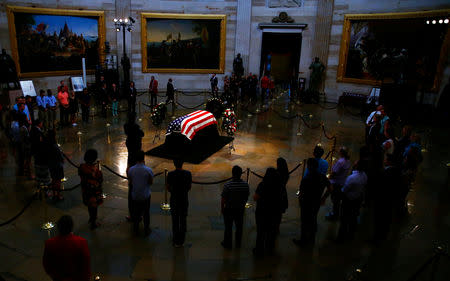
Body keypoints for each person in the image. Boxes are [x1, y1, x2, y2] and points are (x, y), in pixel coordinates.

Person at [293, 158, 330, 246]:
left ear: (309, 166)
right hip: (316, 202)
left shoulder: (306, 179)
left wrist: (300, 203)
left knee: (305, 222)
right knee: (313, 219)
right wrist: (324, 198)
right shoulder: (322, 176)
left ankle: (303, 240)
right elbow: (330, 188)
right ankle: (312, 239)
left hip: (306, 204)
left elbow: (301, 194)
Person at [43, 215, 91, 281]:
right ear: (71, 227)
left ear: (58, 228)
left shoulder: (50, 243)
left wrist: (54, 276)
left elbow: (47, 264)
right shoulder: (81, 242)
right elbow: (86, 265)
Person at [253, 167, 283, 255]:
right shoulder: (280, 186)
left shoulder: (262, 184)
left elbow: (255, 197)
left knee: (261, 232)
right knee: (271, 232)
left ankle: (259, 250)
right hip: (274, 212)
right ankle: (270, 249)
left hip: (262, 212)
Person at [337, 161, 368, 241]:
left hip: (349, 200)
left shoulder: (352, 178)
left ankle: (341, 237)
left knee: (344, 219)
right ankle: (351, 235)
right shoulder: (364, 175)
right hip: (357, 199)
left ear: (356, 166)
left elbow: (344, 190)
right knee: (353, 218)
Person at [221, 165, 249, 249]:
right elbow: (246, 197)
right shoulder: (245, 185)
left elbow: (223, 199)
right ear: (241, 174)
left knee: (228, 227)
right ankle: (238, 244)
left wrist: (222, 209)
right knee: (239, 227)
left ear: (232, 174)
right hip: (240, 209)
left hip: (229, 209)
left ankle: (227, 243)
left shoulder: (227, 185)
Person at [127, 150, 154, 236]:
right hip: (145, 195)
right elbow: (150, 182)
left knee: (136, 213)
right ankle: (146, 229)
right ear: (143, 158)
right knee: (146, 213)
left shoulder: (131, 169)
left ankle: (135, 229)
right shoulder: (148, 170)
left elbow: (130, 182)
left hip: (135, 196)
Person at [167, 159, 192, 247]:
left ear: (174, 164)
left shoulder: (170, 174)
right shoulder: (188, 174)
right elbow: (189, 187)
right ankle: (181, 240)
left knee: (175, 220)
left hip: (174, 199)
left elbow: (168, 188)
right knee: (183, 219)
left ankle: (175, 239)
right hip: (184, 199)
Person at [79, 149, 103, 230]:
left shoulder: (82, 167)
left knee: (89, 205)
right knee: (94, 207)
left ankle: (91, 218)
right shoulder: (95, 170)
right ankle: (93, 222)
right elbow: (100, 179)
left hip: (85, 190)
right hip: (94, 191)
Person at [325, 147, 352, 220]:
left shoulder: (340, 162)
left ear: (341, 153)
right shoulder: (348, 161)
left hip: (336, 183)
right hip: (342, 182)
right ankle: (336, 213)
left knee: (335, 199)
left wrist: (329, 177)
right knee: (337, 199)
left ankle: (335, 214)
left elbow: (334, 172)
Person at [47, 130, 64, 200]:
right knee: (58, 180)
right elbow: (59, 156)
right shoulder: (54, 145)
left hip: (51, 165)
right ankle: (58, 195)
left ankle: (54, 194)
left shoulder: (48, 144)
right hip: (57, 165)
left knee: (53, 179)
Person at [276, 158, 289, 227]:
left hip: (276, 193)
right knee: (279, 212)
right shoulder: (286, 173)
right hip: (283, 192)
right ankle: (277, 226)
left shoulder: (277, 173)